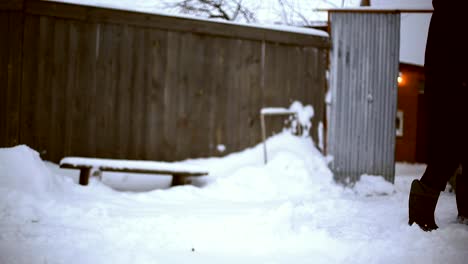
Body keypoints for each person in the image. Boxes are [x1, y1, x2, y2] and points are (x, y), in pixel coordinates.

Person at [408, 0, 468, 231]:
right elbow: (449, 57)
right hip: (453, 92)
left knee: (456, 152)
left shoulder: (449, 12)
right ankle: (420, 217)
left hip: (451, 90)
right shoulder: (452, 12)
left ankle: (464, 212)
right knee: (447, 154)